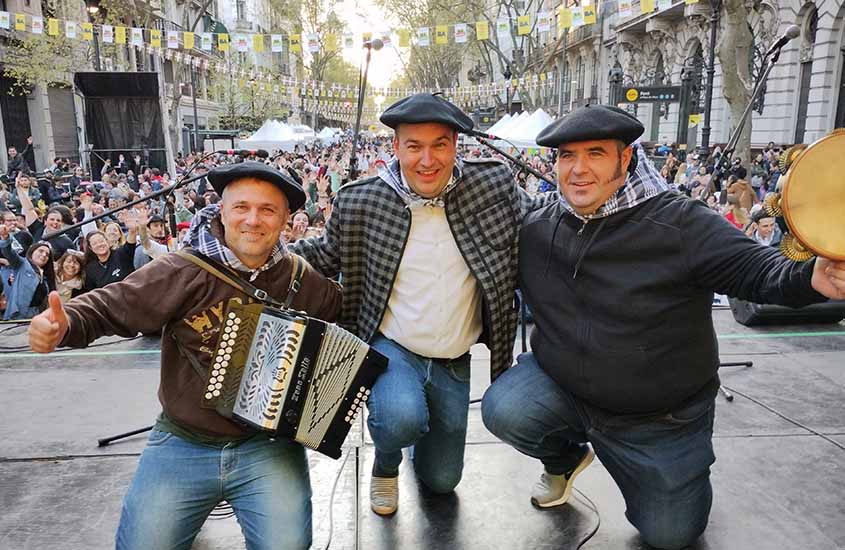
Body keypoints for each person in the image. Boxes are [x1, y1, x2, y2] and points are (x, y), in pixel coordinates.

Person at [480, 104, 845, 550]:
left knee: (671, 535)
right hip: (566, 391)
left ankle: (676, 475)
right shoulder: (540, 226)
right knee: (504, 409)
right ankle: (565, 458)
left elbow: (756, 268)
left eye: (595, 153)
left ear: (626, 159)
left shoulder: (681, 223)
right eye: (566, 156)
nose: (577, 169)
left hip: (661, 419)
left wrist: (811, 278)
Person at [290, 94, 666, 516]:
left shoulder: (491, 185)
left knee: (442, 482)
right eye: (414, 146)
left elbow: (548, 222)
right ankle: (387, 461)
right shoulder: (361, 200)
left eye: (440, 145)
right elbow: (320, 255)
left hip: (455, 357)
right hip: (392, 346)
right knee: (399, 418)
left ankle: (420, 441)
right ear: (396, 148)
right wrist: (245, 247)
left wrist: (623, 195)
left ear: (456, 145)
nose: (427, 159)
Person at [28, 161, 342, 550]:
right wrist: (63, 325)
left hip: (268, 447)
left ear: (285, 221)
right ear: (222, 211)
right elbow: (111, 306)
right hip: (183, 441)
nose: (253, 219)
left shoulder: (300, 277)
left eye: (267, 210)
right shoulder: (183, 270)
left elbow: (343, 312)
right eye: (241, 207)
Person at [0, 231, 55, 320]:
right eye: (41, 251)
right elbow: (9, 252)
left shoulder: (46, 277)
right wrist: (6, 238)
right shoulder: (22, 264)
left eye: (47, 254)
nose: (44, 255)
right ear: (32, 251)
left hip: (36, 317)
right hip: (17, 316)